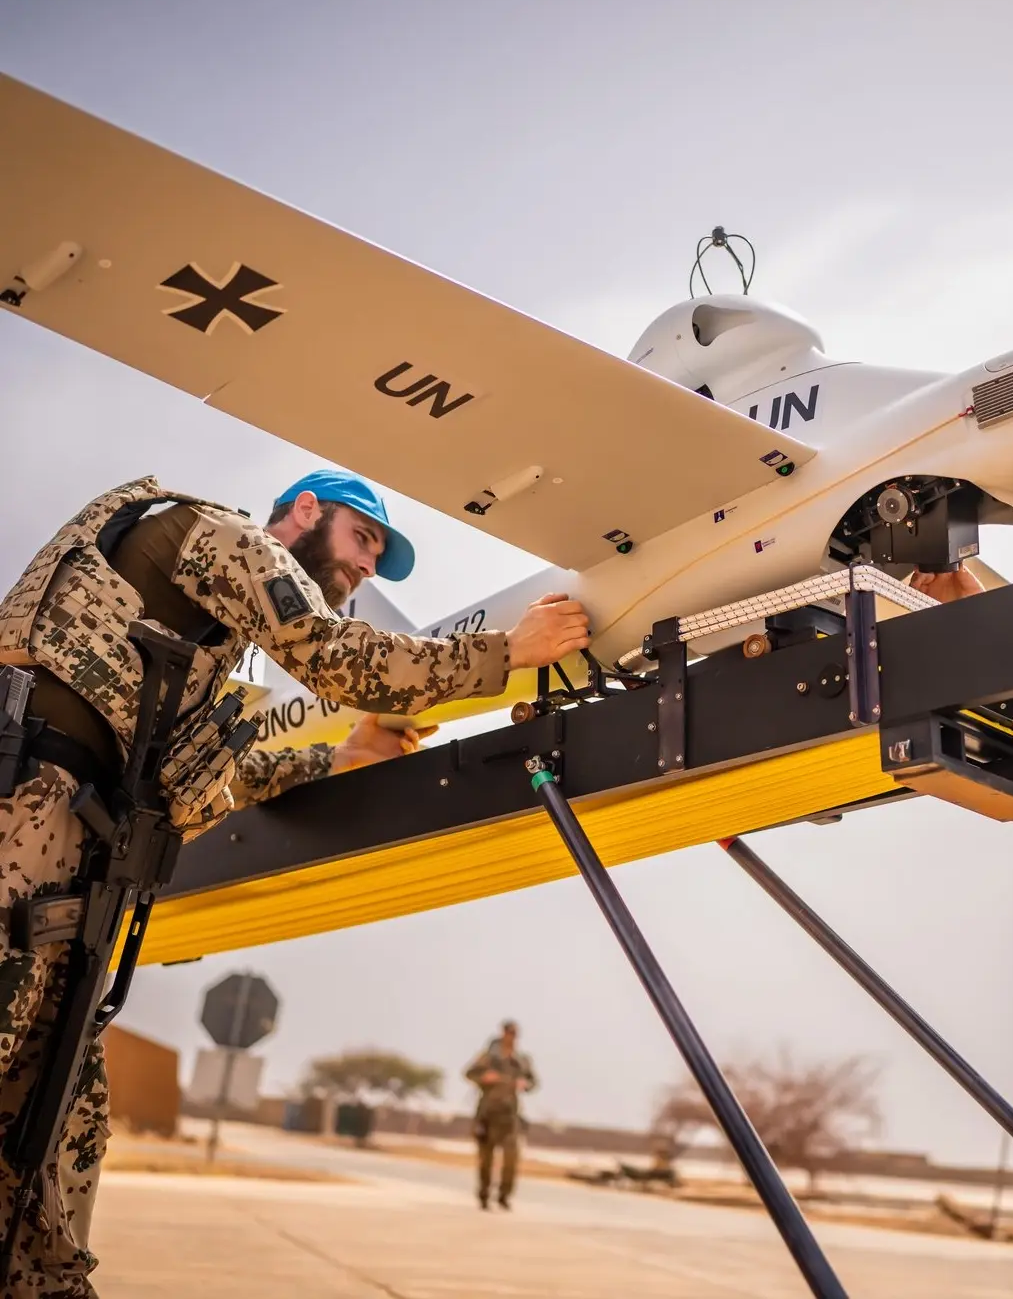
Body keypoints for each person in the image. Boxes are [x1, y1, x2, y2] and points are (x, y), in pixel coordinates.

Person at [0, 468, 589, 1297]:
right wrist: (504, 654)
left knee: (57, 1124)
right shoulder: (215, 536)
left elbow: (209, 779)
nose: (366, 569)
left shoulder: (190, 649)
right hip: (23, 821)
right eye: (362, 540)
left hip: (71, 858)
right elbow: (336, 659)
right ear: (305, 512)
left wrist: (335, 760)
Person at [464, 1019, 538, 1210]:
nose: (511, 1037)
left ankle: (504, 1196)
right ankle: (484, 1194)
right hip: (488, 1114)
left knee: (511, 1158)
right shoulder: (487, 1057)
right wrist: (484, 1078)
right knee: (486, 1159)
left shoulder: (521, 1060)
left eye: (514, 1034)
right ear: (503, 1033)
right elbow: (469, 1073)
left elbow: (533, 1082)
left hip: (510, 1115)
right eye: (508, 1033)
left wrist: (525, 1084)